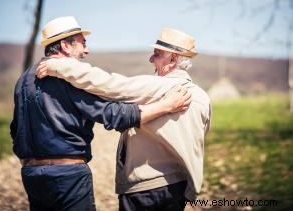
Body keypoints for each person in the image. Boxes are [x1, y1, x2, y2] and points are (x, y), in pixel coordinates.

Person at [10, 16, 191, 211]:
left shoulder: (24, 79)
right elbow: (114, 115)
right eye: (82, 43)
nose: (86, 50)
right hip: (67, 176)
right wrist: (166, 106)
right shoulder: (69, 78)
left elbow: (15, 129)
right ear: (65, 45)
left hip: (30, 175)